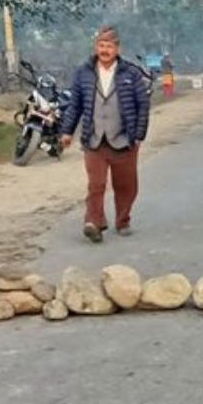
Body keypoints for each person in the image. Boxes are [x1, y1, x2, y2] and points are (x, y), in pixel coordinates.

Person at [60, 26, 151, 243]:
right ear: (95, 47)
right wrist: (66, 131)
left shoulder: (131, 73)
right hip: (94, 139)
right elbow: (75, 105)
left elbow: (143, 105)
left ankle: (123, 220)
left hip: (123, 139)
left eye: (109, 46)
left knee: (126, 185)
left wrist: (138, 135)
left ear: (117, 49)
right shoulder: (84, 73)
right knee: (96, 184)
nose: (104, 50)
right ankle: (94, 222)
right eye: (101, 45)